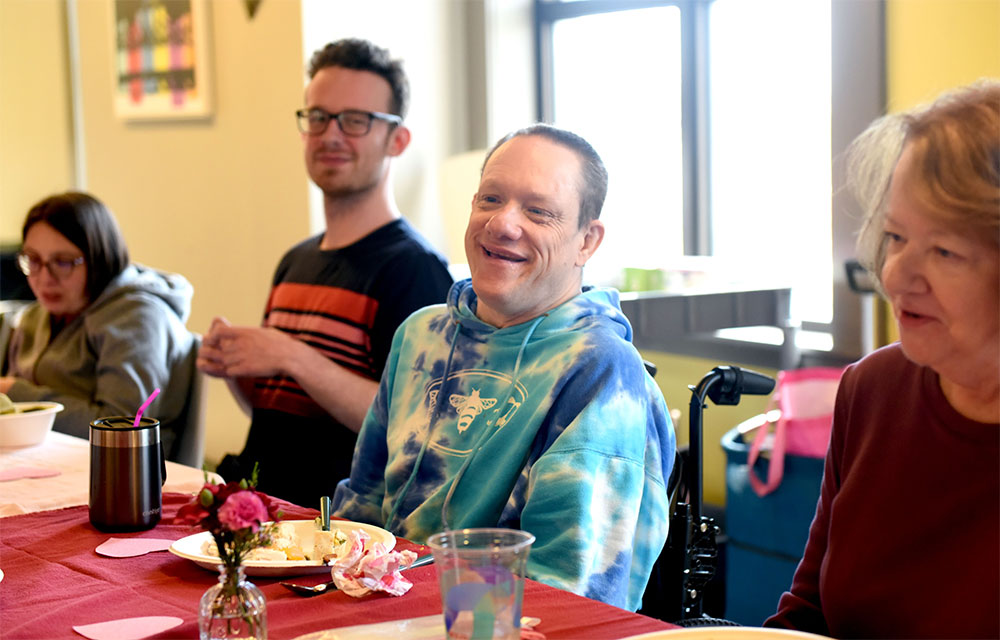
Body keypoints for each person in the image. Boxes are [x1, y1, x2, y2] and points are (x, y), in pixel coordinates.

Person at [332, 124, 676, 611]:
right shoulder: (421, 336)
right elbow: (359, 512)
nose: (502, 224)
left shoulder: (599, 370)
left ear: (587, 241)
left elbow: (569, 595)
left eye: (538, 211)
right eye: (490, 199)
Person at [765, 81, 999, 638]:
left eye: (944, 251)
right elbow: (809, 612)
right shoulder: (873, 389)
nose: (895, 276)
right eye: (895, 236)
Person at [197, 38, 453, 508]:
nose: (331, 135)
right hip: (256, 513)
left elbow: (415, 428)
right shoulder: (296, 261)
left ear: (397, 139)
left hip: (340, 533)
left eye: (355, 120)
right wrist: (238, 368)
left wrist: (291, 355)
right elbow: (281, 418)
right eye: (318, 117)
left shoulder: (414, 270)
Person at [0, 192, 197, 458]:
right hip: (42, 464)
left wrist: (15, 393)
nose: (44, 278)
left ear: (99, 258)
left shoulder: (137, 317)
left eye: (63, 262)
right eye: (33, 260)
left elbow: (124, 426)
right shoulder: (35, 316)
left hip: (121, 479)